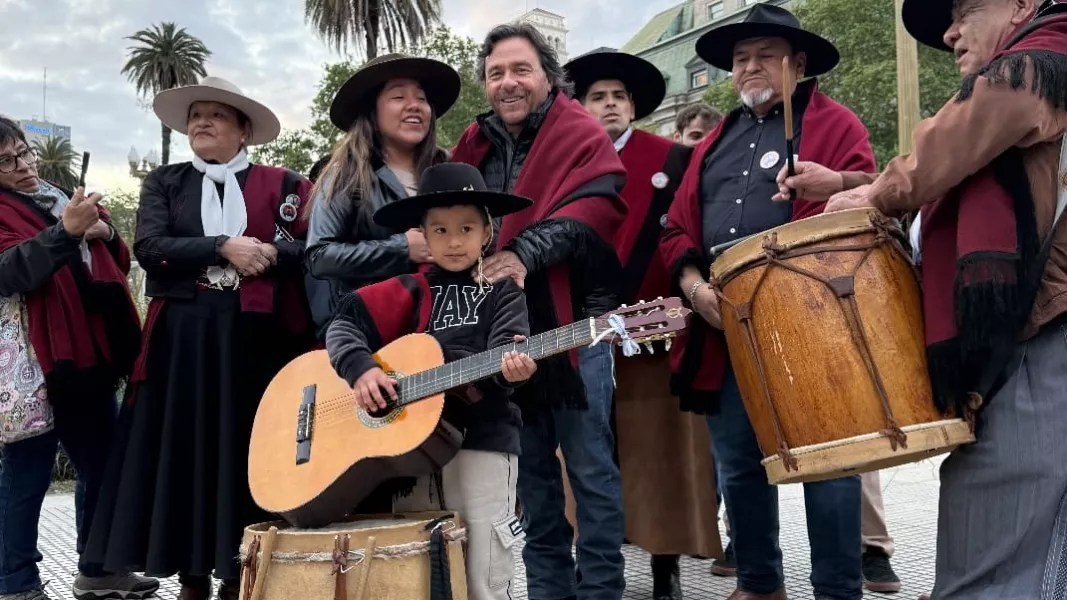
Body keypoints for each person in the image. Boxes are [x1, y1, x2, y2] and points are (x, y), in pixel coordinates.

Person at [817, 0, 1067, 597]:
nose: (951, 31)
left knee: (994, 544)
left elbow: (957, 139)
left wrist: (877, 193)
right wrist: (854, 185)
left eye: (966, 9)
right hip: (1025, 339)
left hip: (1042, 340)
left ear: (1025, 4)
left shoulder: (1047, 55)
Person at [659, 5, 877, 600]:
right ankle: (759, 584)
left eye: (765, 55)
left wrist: (837, 182)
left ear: (797, 64)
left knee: (829, 464)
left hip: (814, 321)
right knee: (738, 463)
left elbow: (879, 199)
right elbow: (676, 229)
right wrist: (695, 289)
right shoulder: (713, 143)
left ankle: (838, 589)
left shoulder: (837, 125)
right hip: (725, 323)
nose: (750, 67)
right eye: (740, 58)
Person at [83, 76, 315, 600]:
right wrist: (221, 247)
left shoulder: (284, 185)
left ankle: (240, 570)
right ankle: (190, 575)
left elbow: (313, 248)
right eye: (194, 116)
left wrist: (268, 253)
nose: (201, 123)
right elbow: (149, 245)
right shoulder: (165, 182)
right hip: (183, 339)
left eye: (215, 115)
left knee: (245, 447)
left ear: (243, 129)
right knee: (185, 448)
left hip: (256, 339)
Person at [451, 22, 629, 600]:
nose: (508, 82)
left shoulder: (578, 130)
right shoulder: (472, 146)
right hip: (501, 335)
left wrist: (523, 251)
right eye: (496, 72)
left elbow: (597, 206)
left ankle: (601, 590)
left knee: (592, 473)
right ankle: (549, 590)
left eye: (520, 69)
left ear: (548, 76)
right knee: (531, 477)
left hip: (575, 329)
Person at [326, 162, 537, 600]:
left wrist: (512, 371)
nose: (454, 240)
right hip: (408, 452)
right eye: (439, 230)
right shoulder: (407, 288)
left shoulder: (503, 291)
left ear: (487, 232)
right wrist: (362, 369)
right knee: (415, 574)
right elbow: (342, 323)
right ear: (422, 234)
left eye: (466, 228)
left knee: (484, 574)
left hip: (483, 442)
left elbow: (508, 350)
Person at [564, 48, 720, 600]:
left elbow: (686, 231)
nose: (609, 105)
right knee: (584, 457)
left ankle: (665, 566)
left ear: (633, 106)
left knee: (660, 452)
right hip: (581, 333)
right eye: (597, 97)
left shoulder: (673, 159)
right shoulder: (563, 162)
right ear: (579, 107)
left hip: (655, 328)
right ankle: (595, 562)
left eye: (619, 96)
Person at [0, 119, 154, 600]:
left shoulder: (55, 196)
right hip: (35, 365)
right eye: (6, 161)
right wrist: (66, 232)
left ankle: (100, 570)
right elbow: (10, 270)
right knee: (27, 476)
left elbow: (117, 258)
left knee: (104, 467)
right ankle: (14, 582)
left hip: (87, 353)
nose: (22, 166)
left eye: (22, 152)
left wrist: (104, 230)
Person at [305, 53, 458, 341]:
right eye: (398, 97)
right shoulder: (345, 174)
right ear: (372, 113)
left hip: (443, 329)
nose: (414, 106)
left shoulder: (448, 170)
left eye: (422, 98)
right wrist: (401, 248)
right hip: (368, 336)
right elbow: (320, 257)